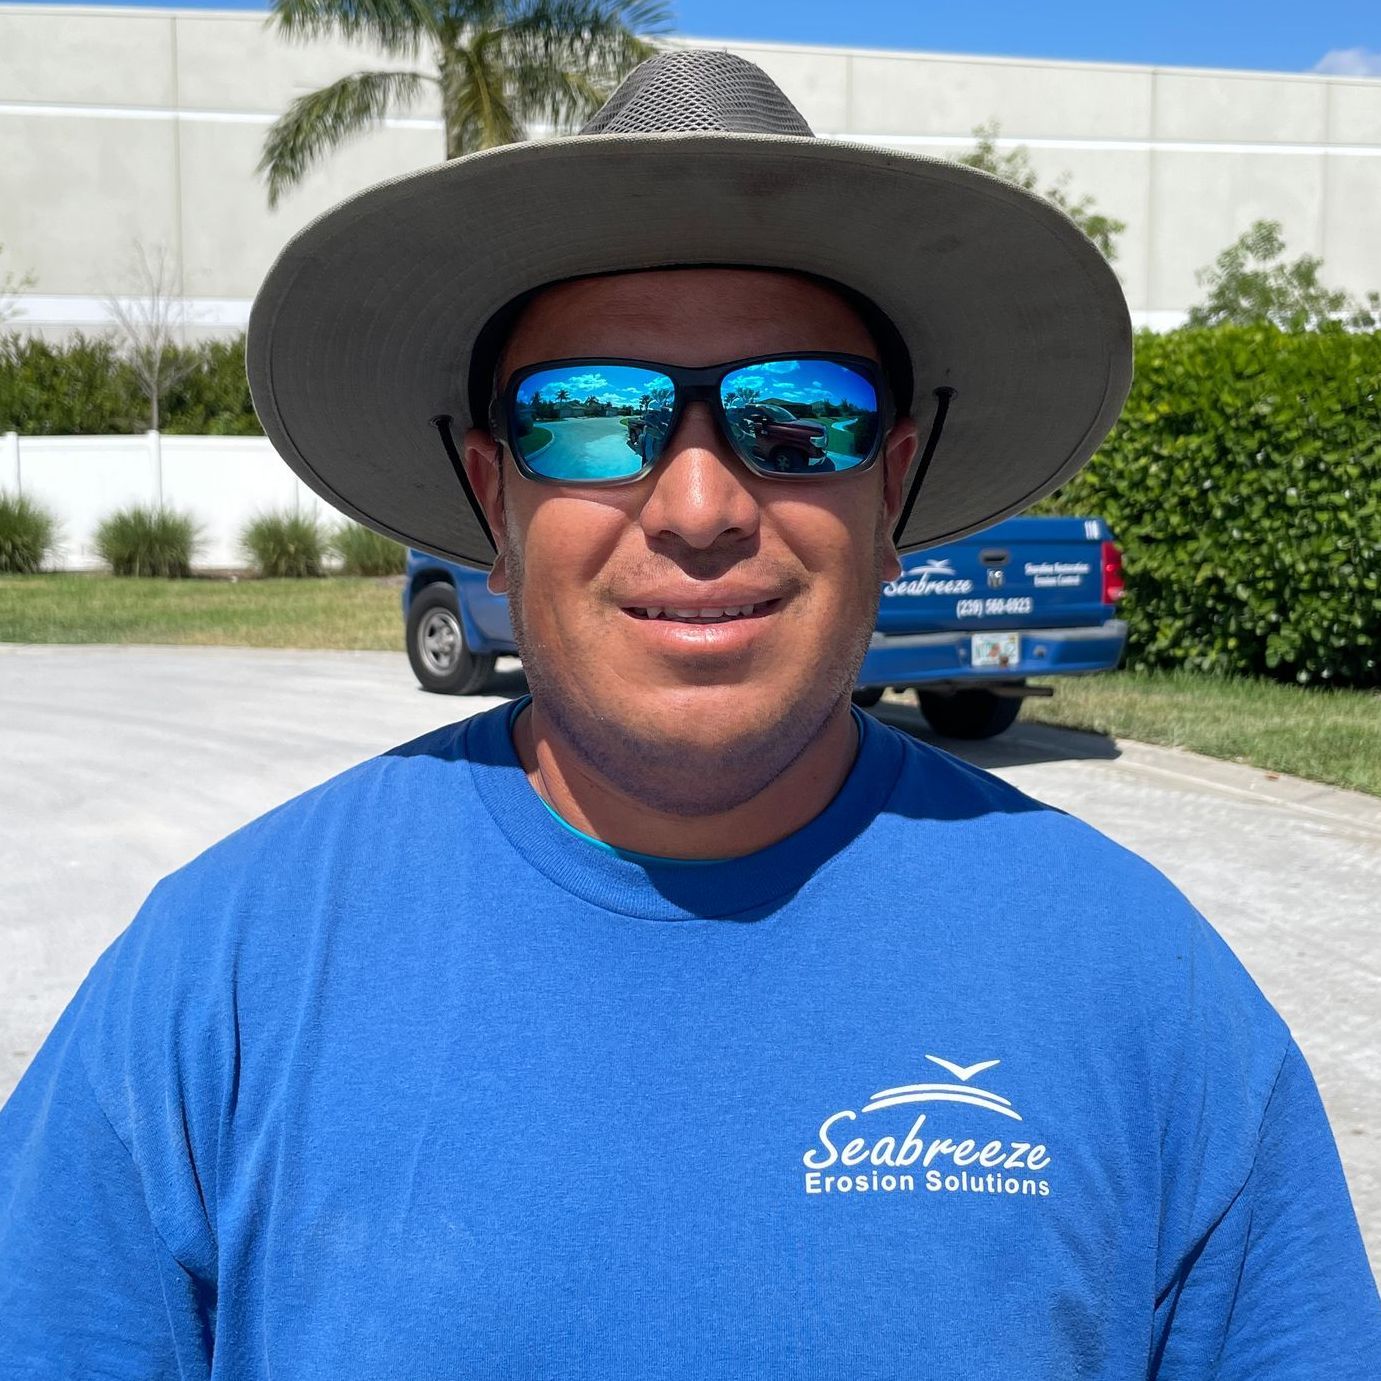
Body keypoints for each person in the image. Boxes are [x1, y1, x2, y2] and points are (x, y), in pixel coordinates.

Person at [1, 48, 1378, 1380]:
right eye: (592, 416)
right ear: (493, 497)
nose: (702, 504)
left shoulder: (1139, 989)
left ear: (888, 494)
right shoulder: (223, 981)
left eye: (801, 414)